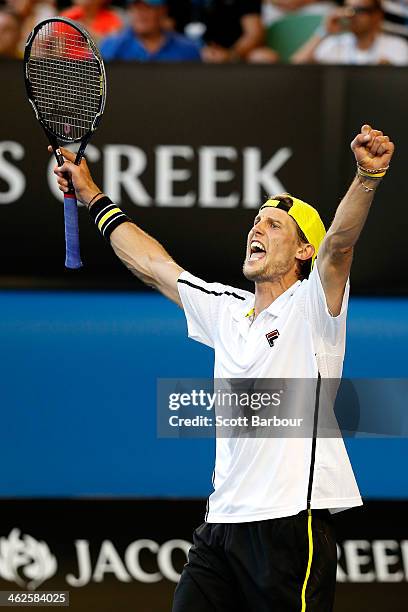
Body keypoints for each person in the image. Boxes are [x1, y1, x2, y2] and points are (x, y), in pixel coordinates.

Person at [51, 124, 394, 610]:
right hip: (220, 529)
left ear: (303, 252)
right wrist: (91, 194)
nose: (257, 229)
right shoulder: (227, 308)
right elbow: (154, 264)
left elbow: (339, 246)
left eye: (275, 225)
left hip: (292, 524)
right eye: (256, 222)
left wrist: (367, 176)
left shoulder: (314, 306)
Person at [292, 0, 408, 64]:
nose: (353, 16)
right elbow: (296, 68)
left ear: (377, 15)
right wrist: (324, 31)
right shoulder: (336, 44)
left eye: (360, 10)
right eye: (348, 9)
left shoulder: (396, 46)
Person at [100, 0, 201, 62]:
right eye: (137, 8)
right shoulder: (111, 45)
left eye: (148, 8)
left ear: (162, 11)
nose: (141, 14)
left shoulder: (188, 49)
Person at [195, 0, 271, 62]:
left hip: (240, 53)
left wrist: (231, 54)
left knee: (263, 57)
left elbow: (254, 35)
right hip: (206, 50)